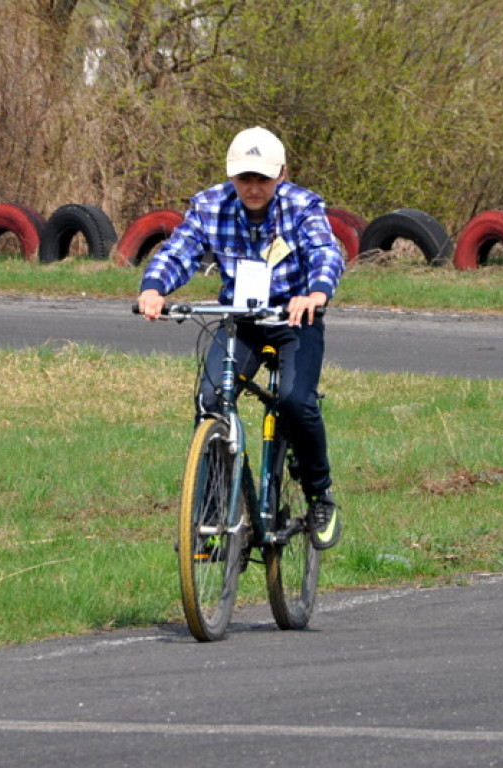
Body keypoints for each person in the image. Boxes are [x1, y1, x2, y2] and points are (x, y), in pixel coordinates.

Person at [137, 126, 345, 550]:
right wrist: (154, 287)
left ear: (282, 174)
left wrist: (316, 293)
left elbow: (326, 252)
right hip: (240, 321)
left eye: (262, 179)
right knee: (211, 401)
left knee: (293, 400)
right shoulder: (210, 204)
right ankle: (212, 509)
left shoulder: (303, 207)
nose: (253, 188)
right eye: (244, 178)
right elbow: (181, 249)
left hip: (294, 319)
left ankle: (319, 494)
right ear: (231, 176)